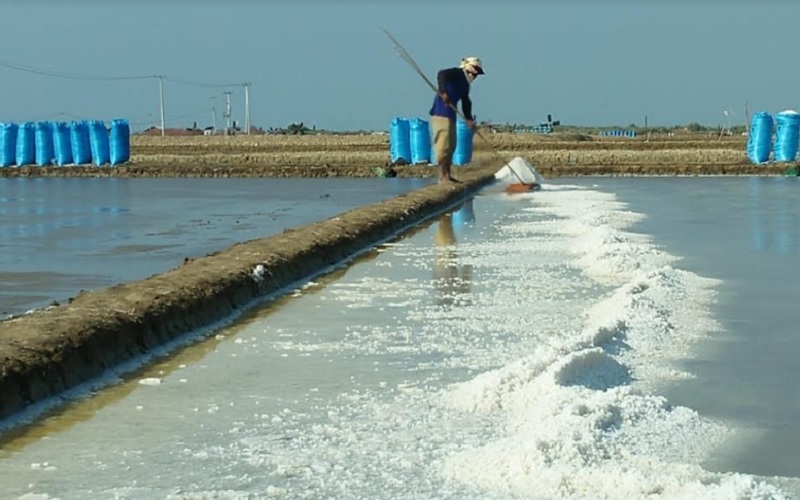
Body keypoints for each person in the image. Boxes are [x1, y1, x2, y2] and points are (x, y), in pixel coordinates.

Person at [429, 56, 485, 184]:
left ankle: (447, 175)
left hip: (451, 115)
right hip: (441, 113)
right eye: (475, 73)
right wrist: (443, 92)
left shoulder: (466, 85)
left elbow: (466, 102)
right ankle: (442, 176)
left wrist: (469, 119)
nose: (475, 77)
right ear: (469, 69)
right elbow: (441, 74)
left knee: (451, 146)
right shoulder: (456, 73)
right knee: (443, 145)